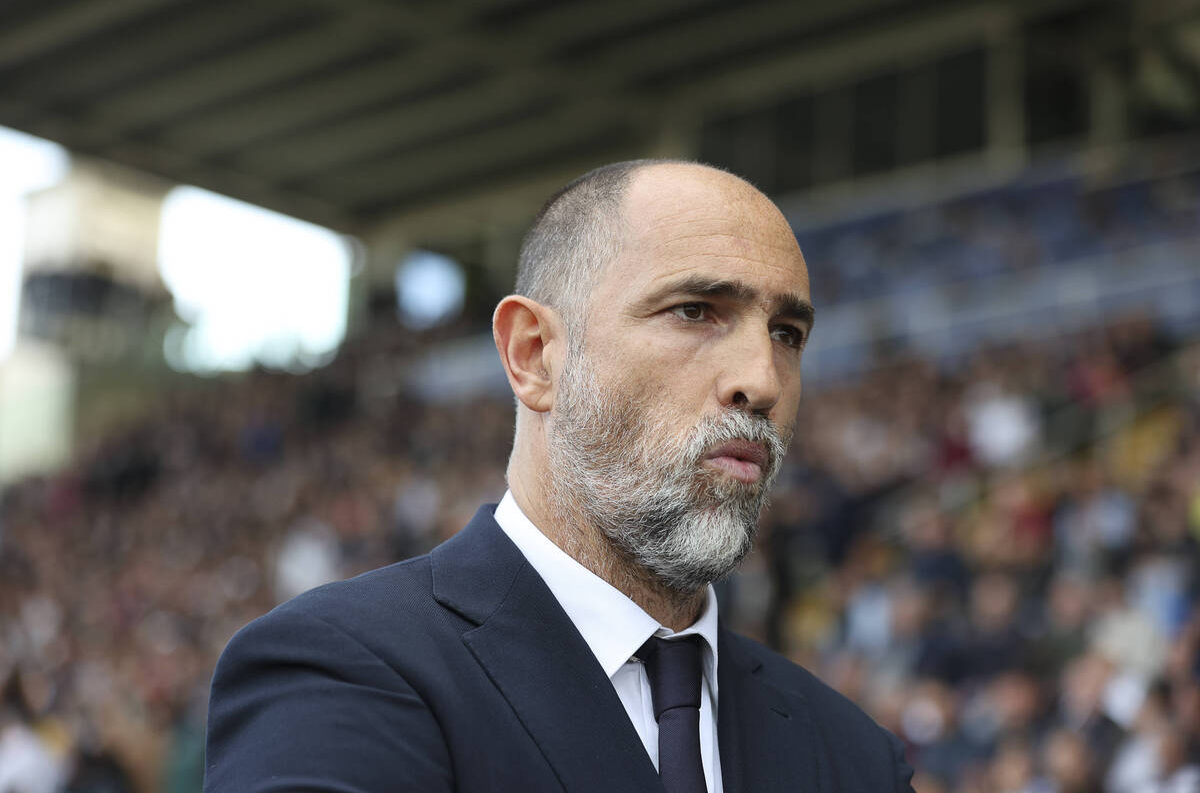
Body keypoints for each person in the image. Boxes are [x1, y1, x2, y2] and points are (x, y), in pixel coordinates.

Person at [203, 160, 915, 792]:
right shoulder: (341, 670)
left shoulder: (855, 755)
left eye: (787, 334)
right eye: (695, 311)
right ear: (534, 354)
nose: (762, 380)